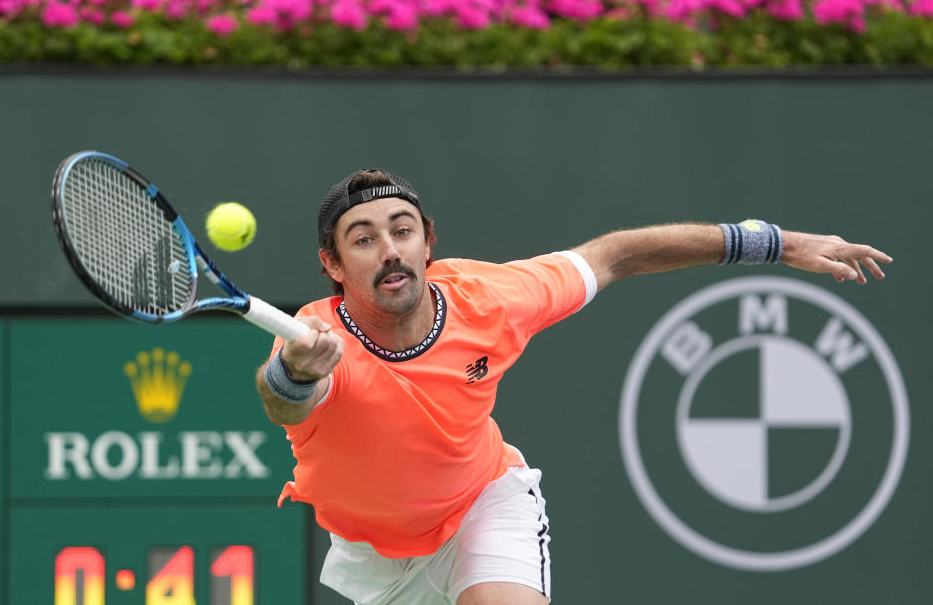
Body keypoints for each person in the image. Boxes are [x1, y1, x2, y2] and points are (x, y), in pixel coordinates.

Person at [255, 169, 892, 605]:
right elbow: (284, 399)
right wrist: (299, 371)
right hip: (375, 555)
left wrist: (774, 244)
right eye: (363, 240)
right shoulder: (313, 340)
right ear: (334, 266)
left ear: (428, 244)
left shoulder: (493, 298)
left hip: (482, 506)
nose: (389, 249)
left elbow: (615, 254)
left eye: (402, 230)